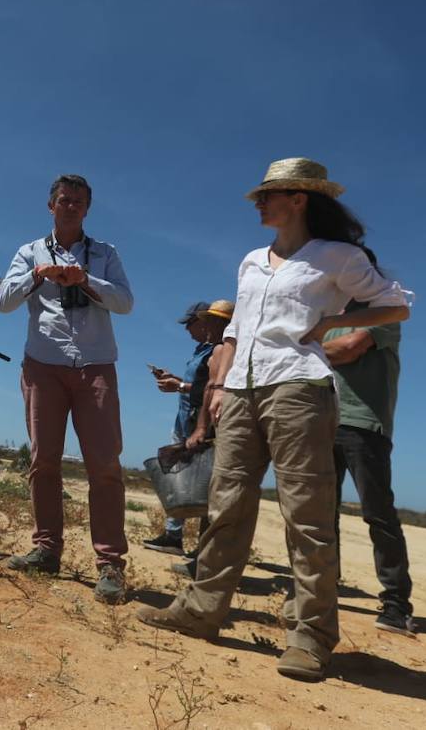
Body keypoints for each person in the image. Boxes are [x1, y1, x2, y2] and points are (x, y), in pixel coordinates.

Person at [135, 157, 411, 682]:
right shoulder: (250, 261)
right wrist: (217, 386)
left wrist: (335, 319)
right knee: (226, 504)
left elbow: (395, 306)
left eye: (268, 195)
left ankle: (312, 635)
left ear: (299, 198)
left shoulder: (338, 255)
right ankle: (200, 610)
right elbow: (237, 327)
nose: (258, 203)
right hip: (241, 390)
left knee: (306, 514)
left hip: (301, 388)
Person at [0, 173, 134, 603]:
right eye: (63, 199)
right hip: (44, 365)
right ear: (50, 205)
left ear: (87, 209)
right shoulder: (29, 252)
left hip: (95, 365)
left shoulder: (105, 253)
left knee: (105, 465)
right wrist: (39, 274)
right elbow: (3, 301)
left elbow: (125, 302)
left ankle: (110, 564)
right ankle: (46, 549)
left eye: (78, 201)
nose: (70, 206)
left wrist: (86, 280)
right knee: (43, 460)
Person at [323, 298, 415, 636]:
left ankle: (396, 603)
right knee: (320, 511)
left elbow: (349, 348)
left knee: (377, 513)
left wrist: (306, 347)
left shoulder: (385, 313)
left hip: (364, 424)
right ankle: (322, 587)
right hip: (323, 419)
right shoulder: (328, 317)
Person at [142, 300, 233, 555]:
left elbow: (215, 388)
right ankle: (175, 536)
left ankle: (202, 548)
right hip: (187, 419)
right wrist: (177, 382)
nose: (187, 329)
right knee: (180, 478)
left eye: (191, 323)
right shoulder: (203, 350)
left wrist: (180, 387)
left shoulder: (220, 352)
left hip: (199, 424)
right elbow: (202, 384)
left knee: (203, 484)